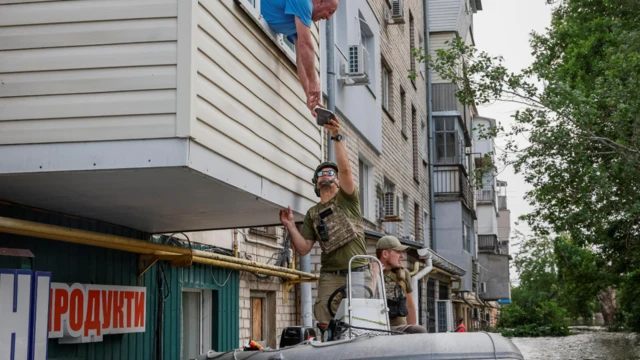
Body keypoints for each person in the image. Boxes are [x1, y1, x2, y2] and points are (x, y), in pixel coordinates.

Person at [278, 114, 368, 328]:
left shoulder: (347, 200)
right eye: (321, 173)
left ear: (338, 181)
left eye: (331, 172)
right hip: (330, 275)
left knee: (363, 323)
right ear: (316, 183)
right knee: (326, 323)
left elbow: (345, 169)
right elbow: (303, 249)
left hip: (358, 272)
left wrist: (336, 136)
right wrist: (291, 225)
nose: (326, 174)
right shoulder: (312, 213)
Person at [260, 0, 339, 116]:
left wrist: (310, 96)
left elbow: (301, 60)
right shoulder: (304, 2)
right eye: (330, 12)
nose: (328, 18)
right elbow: (305, 44)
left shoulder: (301, 18)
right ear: (320, 2)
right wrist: (313, 81)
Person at [373, 235, 427, 334]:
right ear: (385, 254)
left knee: (419, 331)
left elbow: (409, 305)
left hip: (399, 328)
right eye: (398, 252)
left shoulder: (403, 273)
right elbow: (366, 297)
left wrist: (413, 336)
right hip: (376, 327)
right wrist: (375, 274)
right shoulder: (370, 272)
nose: (402, 256)